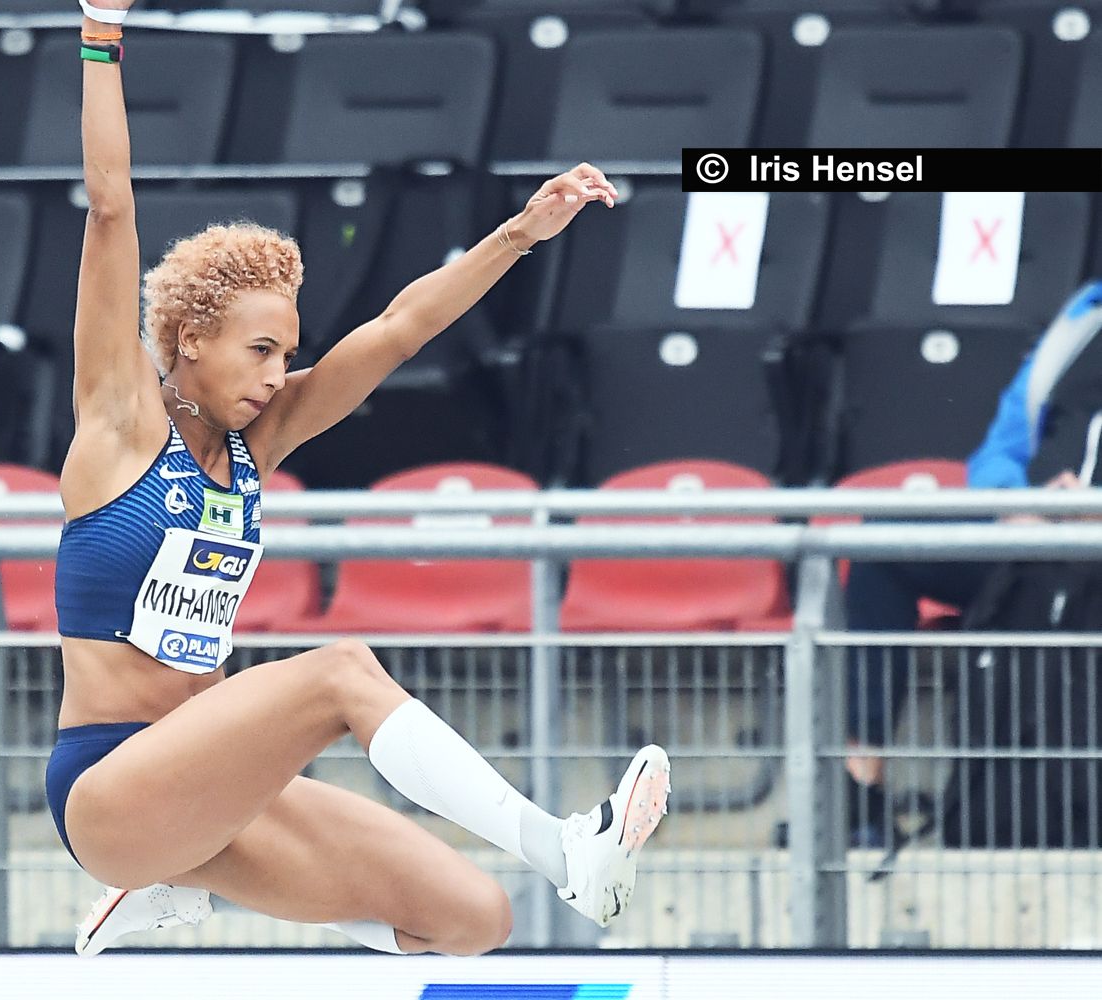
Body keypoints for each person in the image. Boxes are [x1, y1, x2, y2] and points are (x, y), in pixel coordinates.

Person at [45, 0, 671, 957]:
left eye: (287, 354)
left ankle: (168, 881)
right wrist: (101, 35)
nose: (275, 376)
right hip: (111, 789)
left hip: (214, 788)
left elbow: (399, 328)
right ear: (190, 340)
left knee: (473, 919)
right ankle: (565, 848)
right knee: (339, 670)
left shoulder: (258, 445)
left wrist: (519, 233)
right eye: (259, 351)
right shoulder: (119, 422)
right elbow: (111, 206)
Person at [844, 278, 1102, 845]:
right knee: (882, 548)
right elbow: (999, 449)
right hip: (1037, 537)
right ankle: (861, 786)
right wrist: (1016, 506)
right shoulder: (1084, 318)